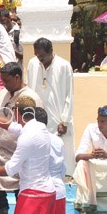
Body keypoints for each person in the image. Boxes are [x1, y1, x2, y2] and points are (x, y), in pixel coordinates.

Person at [0, 62, 42, 214]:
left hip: (23, 154)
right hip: (0, 152)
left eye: (7, 80)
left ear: (17, 78)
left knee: (22, 194)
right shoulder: (3, 94)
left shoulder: (31, 98)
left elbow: (34, 126)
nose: (3, 84)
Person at [26, 37, 75, 175]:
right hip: (37, 116)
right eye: (36, 55)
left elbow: (69, 95)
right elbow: (29, 89)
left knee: (59, 153)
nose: (39, 58)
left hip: (57, 117)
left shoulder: (64, 66)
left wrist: (64, 120)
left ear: (51, 51)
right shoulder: (32, 64)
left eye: (42, 55)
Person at [34, 107, 66, 214]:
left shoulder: (34, 140)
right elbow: (62, 168)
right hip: (58, 188)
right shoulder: (58, 140)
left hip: (41, 190)